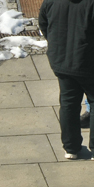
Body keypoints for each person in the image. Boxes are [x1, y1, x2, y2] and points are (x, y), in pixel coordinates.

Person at [38, 0, 94, 159]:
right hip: (89, 62)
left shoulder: (51, 1)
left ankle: (71, 148)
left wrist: (58, 45)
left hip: (62, 60)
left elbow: (44, 24)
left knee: (68, 103)